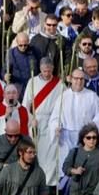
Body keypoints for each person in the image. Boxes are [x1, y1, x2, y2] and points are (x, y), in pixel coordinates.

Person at [49, 68, 99, 179]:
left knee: (84, 166)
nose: (79, 81)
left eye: (82, 79)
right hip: (66, 136)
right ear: (71, 79)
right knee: (67, 165)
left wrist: (91, 127)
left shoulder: (91, 95)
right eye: (76, 78)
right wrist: (55, 128)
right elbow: (55, 117)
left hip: (84, 137)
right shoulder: (63, 96)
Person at [21, 57, 64, 186]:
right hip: (36, 121)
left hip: (52, 122)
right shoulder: (32, 82)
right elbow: (25, 105)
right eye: (44, 71)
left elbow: (64, 104)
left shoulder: (59, 84)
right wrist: (30, 118)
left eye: (49, 71)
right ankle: (34, 181)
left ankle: (49, 183)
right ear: (40, 69)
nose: (47, 74)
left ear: (53, 69)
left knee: (50, 154)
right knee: (35, 152)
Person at [62, 123, 99, 195]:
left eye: (94, 137)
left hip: (95, 194)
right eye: (88, 137)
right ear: (83, 139)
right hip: (77, 192)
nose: (92, 140)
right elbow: (65, 167)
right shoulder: (75, 152)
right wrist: (75, 171)